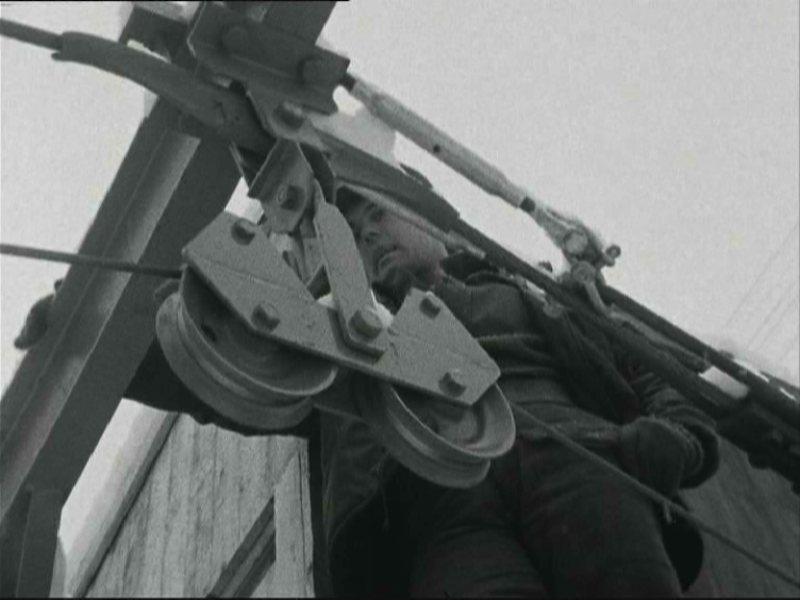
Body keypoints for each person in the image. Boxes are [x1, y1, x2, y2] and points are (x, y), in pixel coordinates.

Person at [15, 183, 720, 597]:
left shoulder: (532, 294)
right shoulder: (342, 333)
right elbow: (232, 371)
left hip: (581, 458)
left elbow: (651, 370)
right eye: (350, 233)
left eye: (377, 216)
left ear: (433, 223)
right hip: (431, 506)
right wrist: (98, 335)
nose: (367, 236)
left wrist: (680, 444)